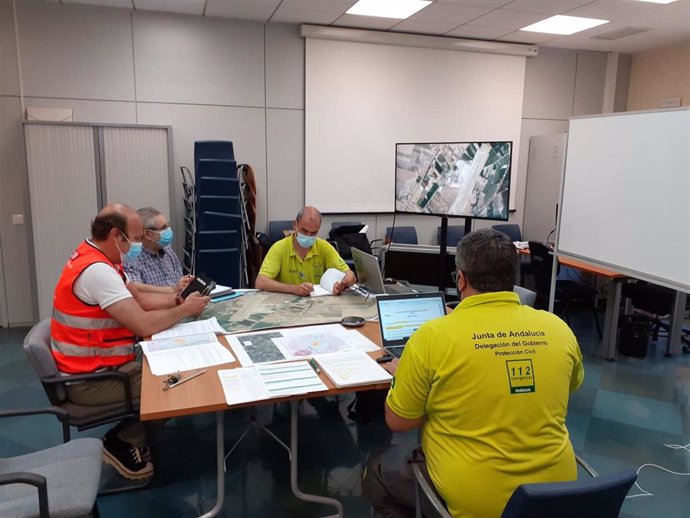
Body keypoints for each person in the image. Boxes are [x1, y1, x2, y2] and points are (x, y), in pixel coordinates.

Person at [362, 228, 584, 518]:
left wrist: (404, 376)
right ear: (513, 278)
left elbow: (399, 421)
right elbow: (570, 386)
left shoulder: (432, 336)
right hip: (557, 498)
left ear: (461, 279)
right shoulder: (558, 329)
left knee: (377, 470)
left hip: (478, 503)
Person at [50, 203, 210, 480]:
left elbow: (138, 300)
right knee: (179, 384)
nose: (136, 246)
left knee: (172, 368)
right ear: (115, 234)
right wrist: (184, 310)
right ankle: (123, 441)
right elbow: (143, 323)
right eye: (135, 239)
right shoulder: (98, 271)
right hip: (91, 381)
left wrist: (179, 300)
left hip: (100, 366)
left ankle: (130, 435)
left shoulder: (95, 257)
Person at [255, 206, 356, 296]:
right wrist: (294, 289)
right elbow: (261, 282)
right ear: (295, 225)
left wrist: (342, 284)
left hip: (317, 304)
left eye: (313, 233)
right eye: (304, 231)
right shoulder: (279, 248)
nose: (308, 236)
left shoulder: (324, 247)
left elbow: (350, 275)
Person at [124, 206, 191, 291]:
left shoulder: (168, 251)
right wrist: (172, 289)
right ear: (148, 234)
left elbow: (179, 282)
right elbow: (135, 288)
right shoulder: (132, 258)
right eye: (163, 228)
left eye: (168, 225)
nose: (168, 230)